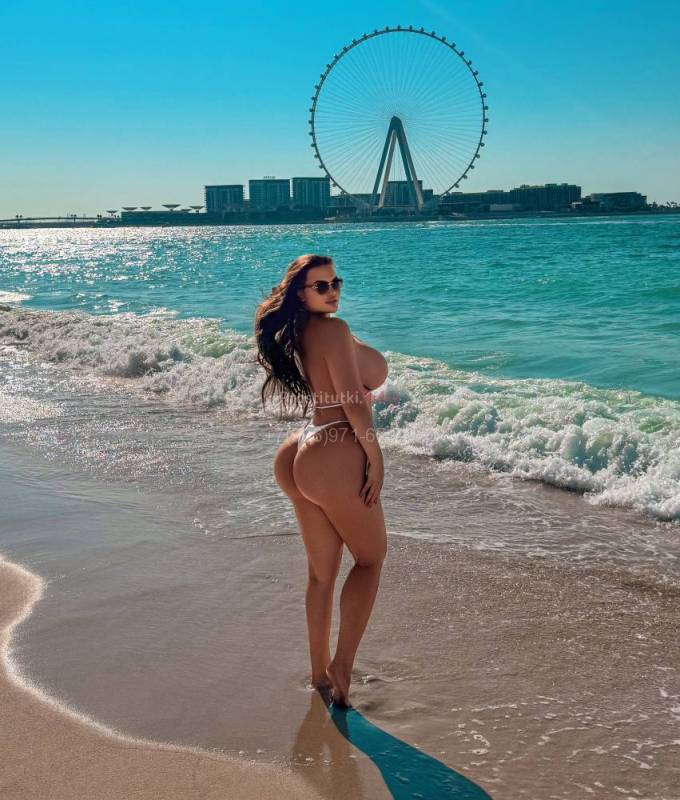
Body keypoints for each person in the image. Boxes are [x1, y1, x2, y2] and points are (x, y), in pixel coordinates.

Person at [254, 253, 389, 707]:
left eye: (336, 283)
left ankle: (319, 674)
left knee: (321, 575)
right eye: (321, 286)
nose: (333, 292)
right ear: (300, 293)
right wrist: (375, 456)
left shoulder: (307, 330)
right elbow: (352, 401)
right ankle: (342, 666)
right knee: (370, 560)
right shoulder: (333, 329)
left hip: (301, 449)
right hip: (334, 448)